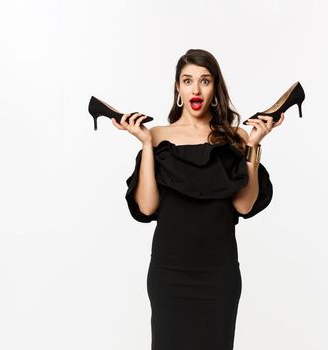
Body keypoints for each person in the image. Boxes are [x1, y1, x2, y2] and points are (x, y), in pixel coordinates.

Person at [110, 48, 282, 349]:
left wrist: (253, 145)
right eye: (188, 81)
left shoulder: (235, 137)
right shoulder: (159, 135)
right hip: (170, 273)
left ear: (215, 88)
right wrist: (147, 144)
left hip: (219, 274)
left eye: (204, 80)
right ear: (178, 87)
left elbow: (243, 204)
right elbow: (148, 206)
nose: (196, 89)